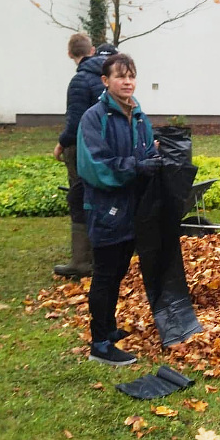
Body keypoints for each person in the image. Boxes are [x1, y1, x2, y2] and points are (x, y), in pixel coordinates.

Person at [76, 53, 163, 365]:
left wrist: (157, 156)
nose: (127, 82)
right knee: (105, 275)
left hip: (133, 210)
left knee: (118, 273)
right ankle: (99, 344)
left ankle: (109, 329)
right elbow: (95, 166)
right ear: (105, 81)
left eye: (131, 76)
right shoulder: (94, 118)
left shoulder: (137, 115)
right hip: (107, 210)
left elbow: (147, 151)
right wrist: (136, 167)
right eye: (120, 76)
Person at [52, 35, 118, 278]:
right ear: (91, 50)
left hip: (82, 149)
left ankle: (82, 261)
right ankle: (104, 255)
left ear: (70, 54)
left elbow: (75, 122)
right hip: (108, 146)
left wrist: (61, 144)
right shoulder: (108, 78)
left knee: (79, 197)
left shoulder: (80, 80)